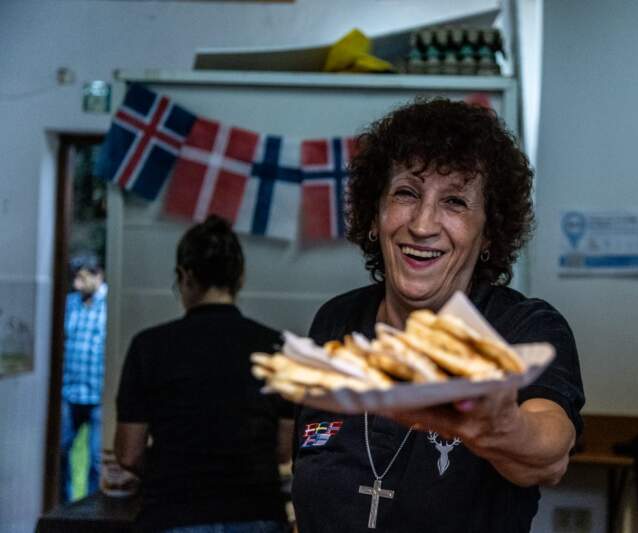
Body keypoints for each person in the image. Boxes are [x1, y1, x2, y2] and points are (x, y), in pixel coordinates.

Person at [291, 98, 585, 532]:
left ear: (489, 232)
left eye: (455, 202)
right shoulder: (335, 321)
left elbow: (549, 453)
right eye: (407, 193)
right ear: (375, 215)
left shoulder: (521, 329)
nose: (424, 224)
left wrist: (503, 426)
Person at [114, 215, 291, 533]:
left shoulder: (149, 347)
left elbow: (128, 453)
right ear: (241, 277)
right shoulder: (277, 347)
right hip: (259, 514)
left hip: (173, 514)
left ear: (185, 276)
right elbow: (284, 448)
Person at [61, 252, 107, 503]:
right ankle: (64, 505)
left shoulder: (111, 303)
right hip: (70, 393)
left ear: (97, 275)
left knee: (97, 460)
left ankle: (91, 510)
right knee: (59, 450)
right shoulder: (70, 304)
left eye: (82, 278)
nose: (77, 285)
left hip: (99, 394)